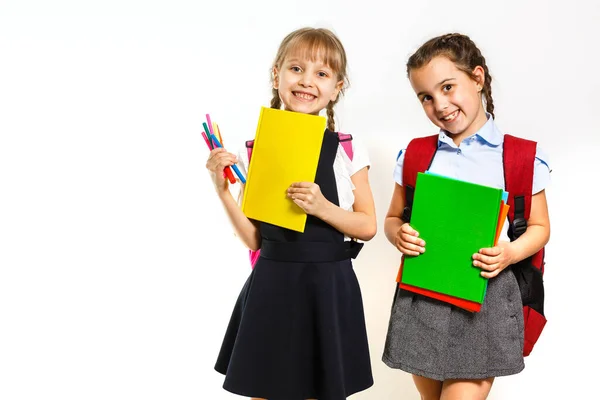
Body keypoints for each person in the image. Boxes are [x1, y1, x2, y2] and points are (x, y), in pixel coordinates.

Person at [206, 27, 376, 400]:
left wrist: (323, 208)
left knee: (321, 389)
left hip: (329, 286)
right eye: (296, 69)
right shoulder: (255, 148)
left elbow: (367, 226)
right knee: (264, 391)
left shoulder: (347, 148)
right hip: (273, 284)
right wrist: (223, 192)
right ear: (277, 74)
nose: (307, 81)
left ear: (337, 87)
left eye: (322, 74)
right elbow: (254, 238)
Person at [382, 33, 551, 399]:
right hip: (423, 296)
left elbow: (539, 227)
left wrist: (509, 253)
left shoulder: (518, 157)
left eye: (447, 87)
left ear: (477, 78)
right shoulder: (415, 154)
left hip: (484, 298)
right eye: (426, 97)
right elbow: (393, 218)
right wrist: (399, 234)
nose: (439, 104)